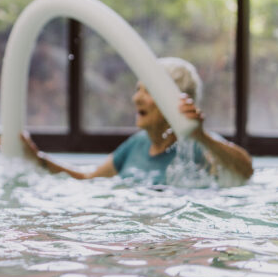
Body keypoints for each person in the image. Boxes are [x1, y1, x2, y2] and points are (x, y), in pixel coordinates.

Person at [21, 57, 254, 184]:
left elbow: (245, 172)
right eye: (137, 89)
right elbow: (87, 179)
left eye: (148, 91)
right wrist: (37, 159)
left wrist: (201, 136)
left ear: (175, 99)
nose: (136, 98)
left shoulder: (198, 145)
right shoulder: (136, 145)